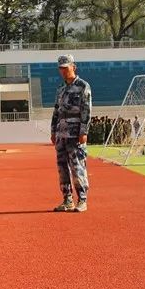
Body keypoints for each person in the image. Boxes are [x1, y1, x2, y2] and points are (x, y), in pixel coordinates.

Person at [50, 55, 92, 213]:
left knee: (77, 166)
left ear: (74, 67)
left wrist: (84, 131)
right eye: (60, 68)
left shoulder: (83, 86)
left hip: (75, 133)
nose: (63, 71)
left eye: (65, 68)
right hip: (61, 133)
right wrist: (53, 131)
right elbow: (56, 111)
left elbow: (86, 110)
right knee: (62, 168)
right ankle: (67, 200)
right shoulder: (61, 89)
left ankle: (82, 199)